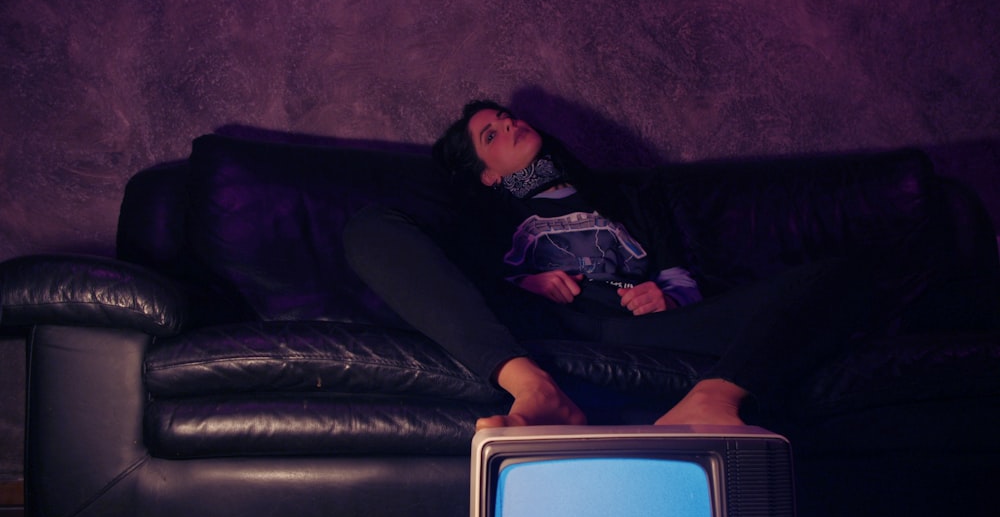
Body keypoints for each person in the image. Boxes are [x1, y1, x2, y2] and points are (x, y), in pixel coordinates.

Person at [344, 99, 870, 430]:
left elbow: (676, 268)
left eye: (507, 118)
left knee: (843, 274)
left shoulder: (627, 196)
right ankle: (534, 388)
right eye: (491, 135)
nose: (508, 124)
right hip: (548, 327)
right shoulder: (480, 215)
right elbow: (446, 276)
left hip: (649, 330)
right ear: (485, 174)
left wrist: (671, 295)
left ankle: (711, 400)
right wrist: (519, 279)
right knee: (368, 229)